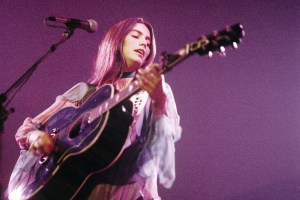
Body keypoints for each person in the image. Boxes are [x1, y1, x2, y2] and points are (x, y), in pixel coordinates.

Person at [8, 17, 181, 200]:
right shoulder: (85, 92)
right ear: (117, 39)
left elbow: (165, 139)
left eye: (148, 43)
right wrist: (35, 137)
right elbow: (29, 128)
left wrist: (159, 99)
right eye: (136, 36)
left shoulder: (154, 91)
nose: (143, 45)